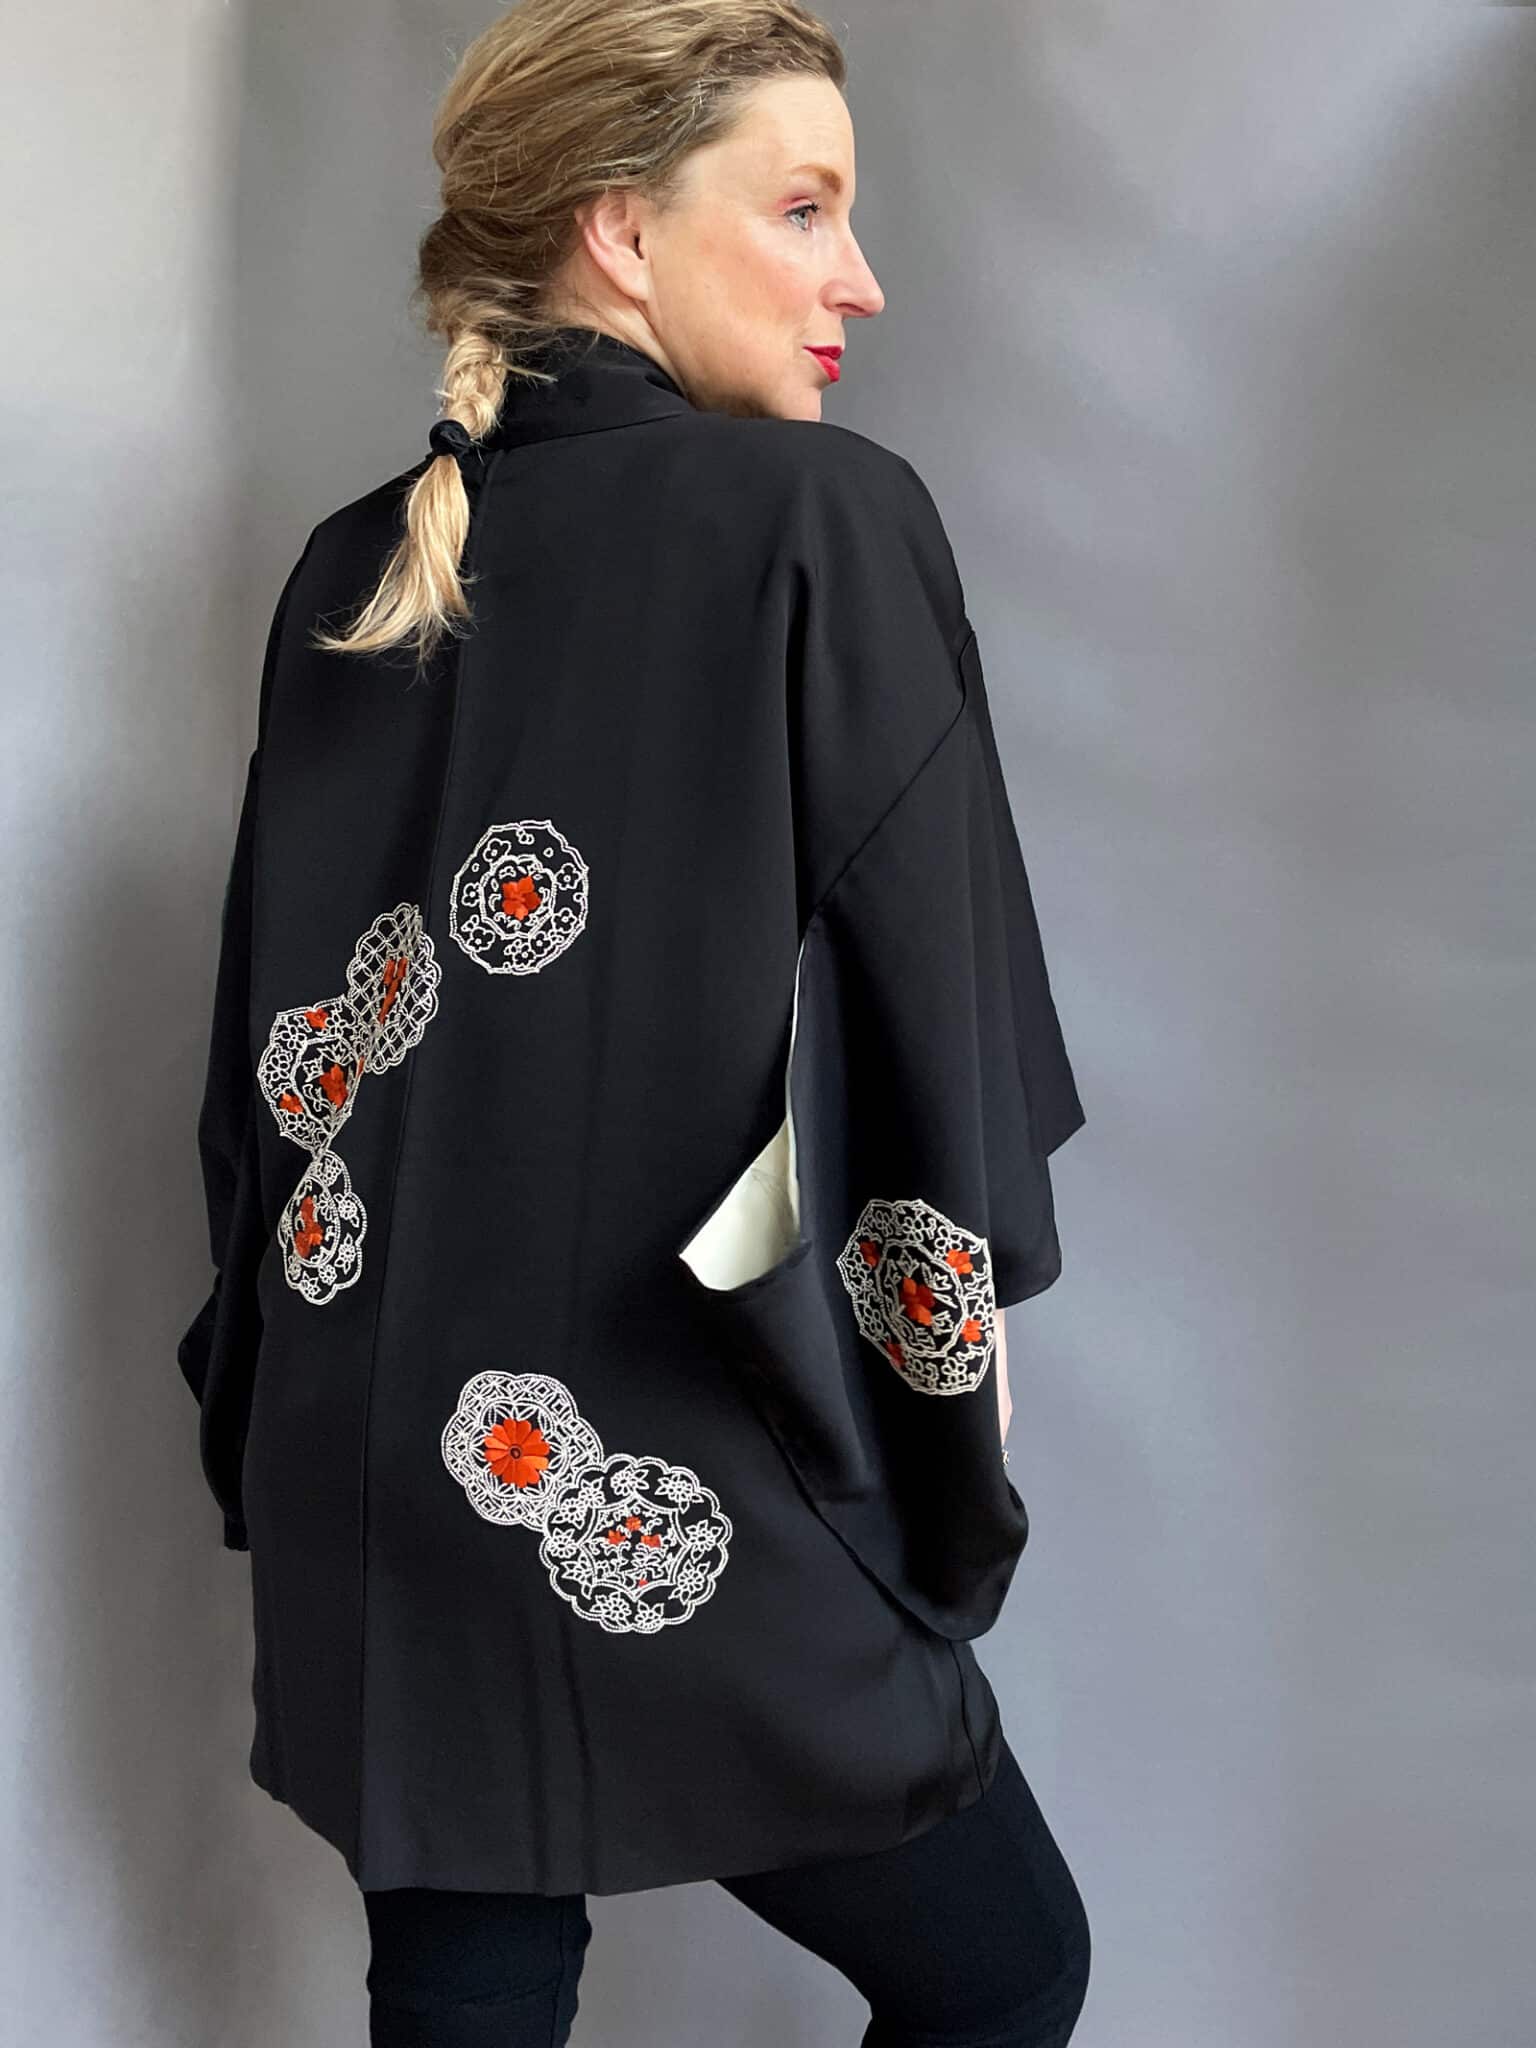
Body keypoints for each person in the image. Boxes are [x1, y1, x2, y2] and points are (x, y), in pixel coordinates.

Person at [176, 2, 1091, 2042]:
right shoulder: (819, 515)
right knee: (1007, 1968)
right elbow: (930, 1009)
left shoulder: (352, 564)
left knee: (476, 1987)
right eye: (804, 207)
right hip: (656, 1448)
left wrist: (271, 1402)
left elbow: (280, 1055)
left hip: (374, 1448)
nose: (862, 278)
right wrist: (947, 1397)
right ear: (619, 228)